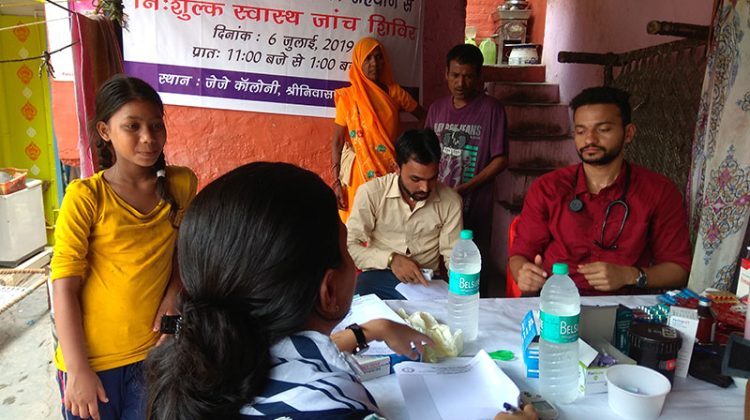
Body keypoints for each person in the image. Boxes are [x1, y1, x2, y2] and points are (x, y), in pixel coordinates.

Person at [144, 162, 432, 419]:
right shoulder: (337, 408)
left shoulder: (204, 369)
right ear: (329, 291)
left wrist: (373, 329)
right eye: (345, 249)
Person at [51, 75, 197, 420]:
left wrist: (174, 295)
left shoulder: (181, 184)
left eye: (156, 125)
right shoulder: (86, 197)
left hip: (152, 355)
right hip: (92, 363)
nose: (148, 137)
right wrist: (78, 370)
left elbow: (184, 251)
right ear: (105, 131)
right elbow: (64, 287)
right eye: (132, 126)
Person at [509, 86, 692, 296]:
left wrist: (630, 275)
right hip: (555, 300)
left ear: (628, 133)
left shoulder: (658, 191)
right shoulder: (548, 188)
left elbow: (678, 269)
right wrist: (523, 273)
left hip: (625, 304)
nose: (589, 140)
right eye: (580, 131)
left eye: (603, 129)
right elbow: (519, 256)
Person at [425, 43, 509, 297]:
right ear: (446, 74)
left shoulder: (492, 109)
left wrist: (465, 189)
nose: (460, 82)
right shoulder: (437, 108)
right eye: (455, 75)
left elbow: (501, 160)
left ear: (479, 76)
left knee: (472, 263)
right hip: (437, 201)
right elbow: (425, 151)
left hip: (475, 205)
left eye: (468, 76)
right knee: (436, 260)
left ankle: (476, 308)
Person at [347, 129, 463, 300]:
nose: (425, 188)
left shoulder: (451, 201)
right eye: (416, 179)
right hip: (377, 276)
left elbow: (454, 255)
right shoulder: (372, 194)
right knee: (360, 308)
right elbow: (349, 247)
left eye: (432, 178)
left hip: (426, 282)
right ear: (396, 168)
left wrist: (461, 291)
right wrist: (391, 259)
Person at [331, 37, 426, 222]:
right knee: (356, 225)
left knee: (387, 222)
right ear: (358, 61)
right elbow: (337, 141)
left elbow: (424, 116)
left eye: (378, 57)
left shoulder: (394, 93)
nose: (374, 63)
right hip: (359, 172)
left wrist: (412, 148)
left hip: (389, 171)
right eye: (368, 58)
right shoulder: (348, 97)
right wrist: (336, 181)